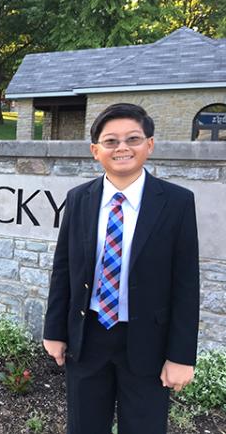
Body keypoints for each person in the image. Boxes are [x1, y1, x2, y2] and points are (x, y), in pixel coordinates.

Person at [43, 103, 199, 434]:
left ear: (150, 145)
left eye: (133, 138)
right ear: (95, 150)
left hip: (148, 343)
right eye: (111, 141)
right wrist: (54, 331)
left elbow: (186, 283)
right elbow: (64, 269)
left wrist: (182, 356)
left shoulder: (177, 202)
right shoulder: (79, 198)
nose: (122, 148)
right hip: (89, 338)